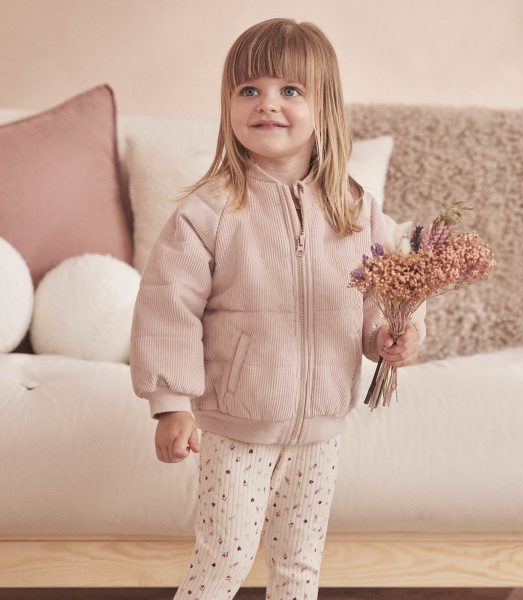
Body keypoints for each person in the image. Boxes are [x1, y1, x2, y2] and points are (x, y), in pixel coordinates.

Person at [129, 17, 426, 600]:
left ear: (324, 107)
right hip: (236, 427)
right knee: (225, 560)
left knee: (299, 568)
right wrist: (171, 404)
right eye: (250, 89)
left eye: (290, 89)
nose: (267, 103)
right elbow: (168, 307)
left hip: (321, 429)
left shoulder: (355, 208)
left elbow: (389, 287)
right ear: (229, 106)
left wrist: (396, 334)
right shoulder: (209, 211)